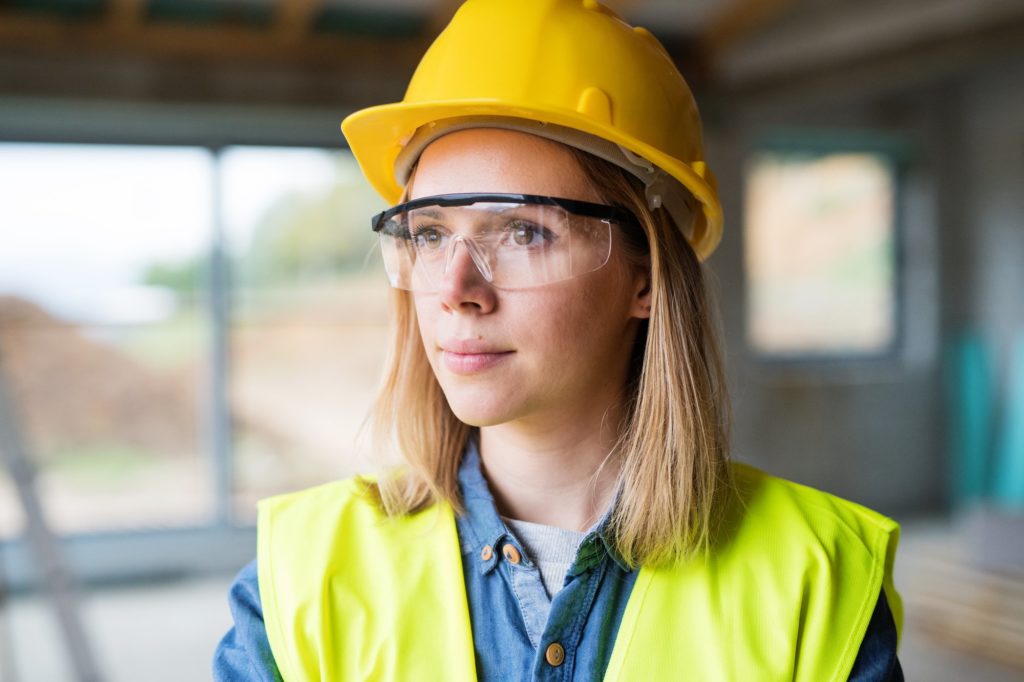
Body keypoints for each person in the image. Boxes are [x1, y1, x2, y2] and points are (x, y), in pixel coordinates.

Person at [214, 0, 903, 680]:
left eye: (522, 232)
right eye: (429, 234)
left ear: (647, 278)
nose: (457, 287)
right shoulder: (299, 586)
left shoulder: (816, 582)